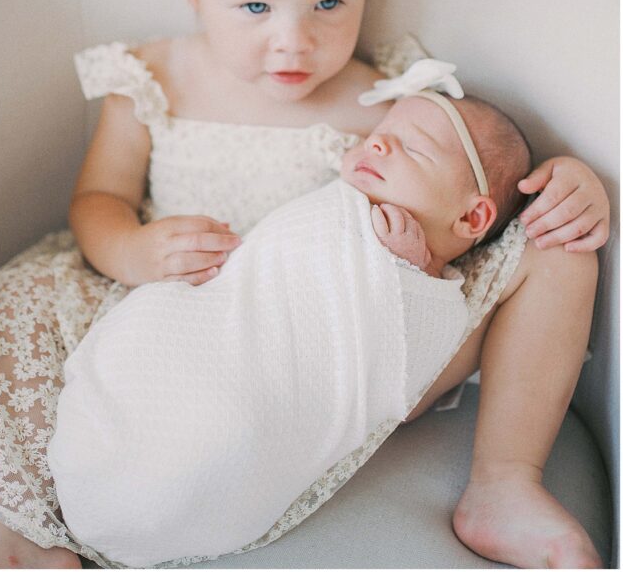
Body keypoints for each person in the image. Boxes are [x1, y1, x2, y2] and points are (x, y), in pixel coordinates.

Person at [0, 0, 607, 570]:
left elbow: (471, 184)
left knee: (556, 244)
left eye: (329, 2)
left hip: (341, 344)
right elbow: (97, 201)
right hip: (167, 318)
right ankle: (21, 526)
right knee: (21, 293)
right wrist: (131, 251)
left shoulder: (385, 97)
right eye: (255, 7)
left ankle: (503, 480)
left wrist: (564, 179)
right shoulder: (152, 78)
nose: (293, 43)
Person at [46, 77, 537, 569]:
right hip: (206, 332)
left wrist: (408, 275)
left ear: (474, 219)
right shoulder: (337, 203)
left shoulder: (444, 303)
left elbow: (400, 380)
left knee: (232, 425)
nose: (378, 142)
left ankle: (167, 484)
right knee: (143, 331)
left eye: (412, 148)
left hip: (256, 400)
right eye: (378, 135)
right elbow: (263, 270)